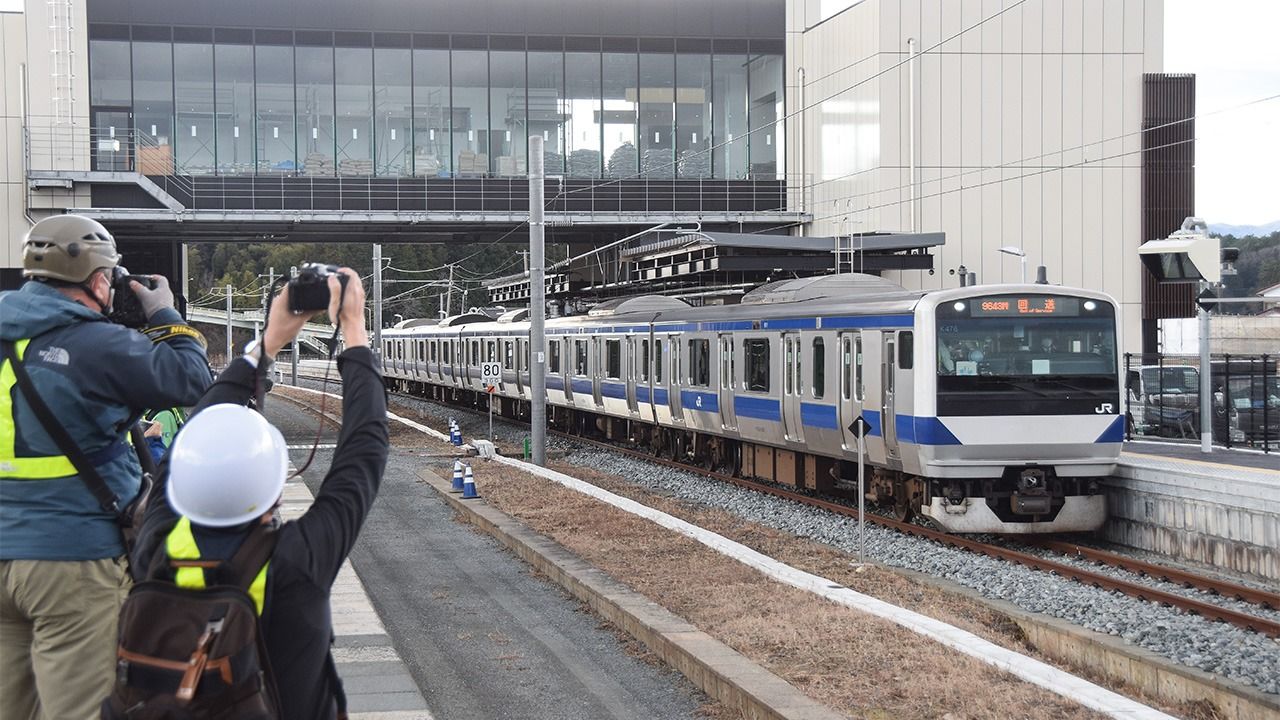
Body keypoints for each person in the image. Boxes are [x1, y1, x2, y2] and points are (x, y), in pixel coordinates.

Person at [126, 268, 388, 719]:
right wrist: (353, 329)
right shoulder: (295, 562)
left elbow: (362, 454)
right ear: (273, 491)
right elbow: (364, 450)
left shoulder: (157, 545)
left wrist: (263, 346)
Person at [0, 214, 213, 719]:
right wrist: (166, 315)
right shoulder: (97, 344)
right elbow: (191, 381)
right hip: (71, 559)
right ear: (99, 279)